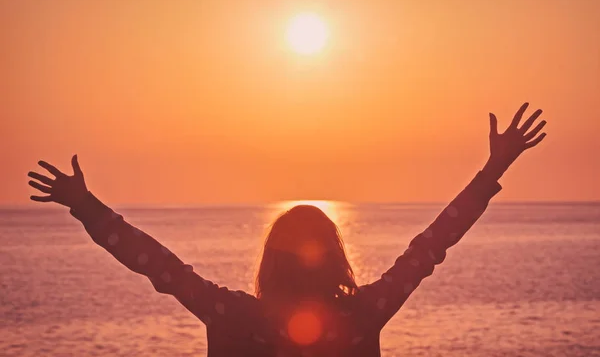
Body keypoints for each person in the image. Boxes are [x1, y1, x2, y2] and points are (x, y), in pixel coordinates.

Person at [28, 103, 546, 356]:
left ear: (270, 262)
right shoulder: (362, 315)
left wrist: (86, 206)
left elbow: (156, 263)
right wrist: (491, 171)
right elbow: (431, 245)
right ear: (336, 261)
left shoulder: (233, 315)